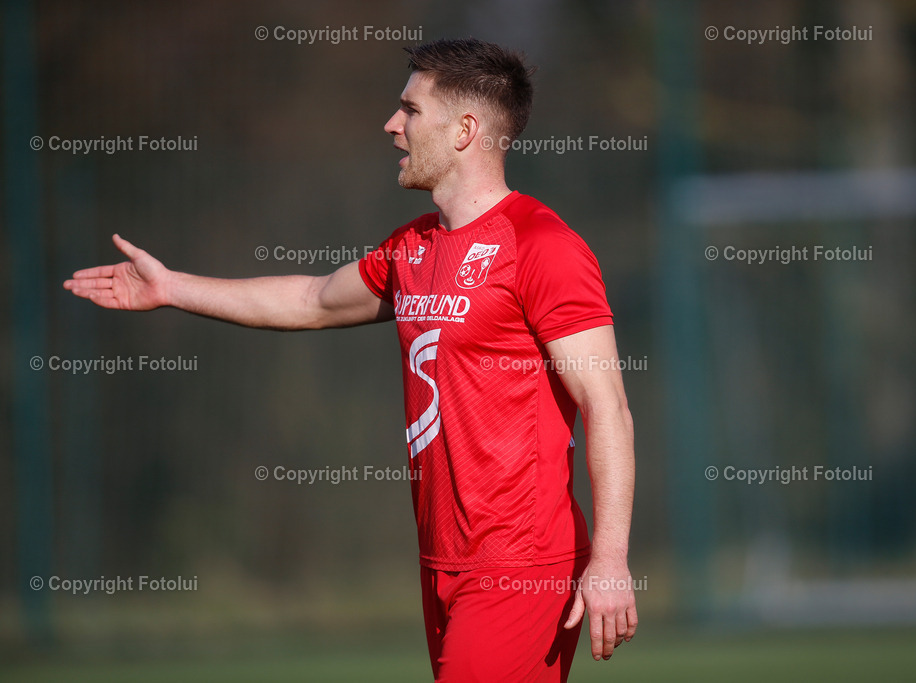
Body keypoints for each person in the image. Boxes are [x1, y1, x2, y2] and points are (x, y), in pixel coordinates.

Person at [64, 37, 637, 682]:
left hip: (521, 564)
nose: (392, 125)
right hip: (442, 562)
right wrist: (171, 289)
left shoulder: (540, 244)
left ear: (465, 131)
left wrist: (611, 559)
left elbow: (605, 404)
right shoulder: (411, 249)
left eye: (410, 110)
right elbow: (311, 300)